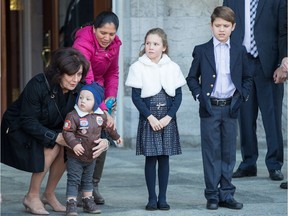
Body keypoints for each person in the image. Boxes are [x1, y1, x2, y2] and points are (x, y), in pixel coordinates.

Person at [0, 47, 110, 215]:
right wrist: (55, 137)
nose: (75, 79)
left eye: (79, 74)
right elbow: (27, 120)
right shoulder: (38, 84)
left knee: (70, 144)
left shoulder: (80, 90)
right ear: (59, 72)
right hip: (18, 129)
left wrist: (104, 139)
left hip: (49, 127)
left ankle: (49, 194)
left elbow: (93, 117)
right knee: (54, 146)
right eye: (71, 74)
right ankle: (32, 196)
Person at [186, 6, 253, 210]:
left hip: (231, 108)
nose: (221, 29)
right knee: (211, 153)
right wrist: (199, 96)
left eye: (225, 26)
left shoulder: (240, 50)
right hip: (210, 108)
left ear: (233, 27)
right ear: (211, 26)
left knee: (229, 153)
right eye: (217, 25)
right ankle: (212, 195)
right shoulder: (202, 50)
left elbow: (247, 78)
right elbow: (191, 78)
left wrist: (241, 97)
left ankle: (227, 193)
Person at [223, 0, 287, 181]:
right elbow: (224, 29)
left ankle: (274, 165)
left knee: (272, 117)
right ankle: (248, 163)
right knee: (245, 117)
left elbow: (284, 31)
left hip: (269, 65)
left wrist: (283, 64)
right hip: (241, 64)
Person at [125, 28, 186, 211]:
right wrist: (150, 117)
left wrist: (169, 117)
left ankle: (163, 198)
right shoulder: (138, 67)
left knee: (164, 158)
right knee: (151, 158)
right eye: (148, 43)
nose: (150, 47)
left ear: (164, 47)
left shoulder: (173, 67)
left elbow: (178, 96)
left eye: (155, 44)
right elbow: (136, 97)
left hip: (167, 119)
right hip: (148, 118)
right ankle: (152, 198)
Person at [72, 11, 122, 205]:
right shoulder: (82, 42)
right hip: (81, 91)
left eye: (111, 34)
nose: (107, 38)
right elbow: (88, 77)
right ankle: (76, 187)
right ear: (94, 28)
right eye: (103, 33)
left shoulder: (115, 44)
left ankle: (93, 185)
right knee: (82, 137)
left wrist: (110, 97)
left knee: (101, 137)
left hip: (99, 92)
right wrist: (103, 109)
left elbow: (113, 72)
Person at [63, 82, 122, 215]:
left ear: (96, 103)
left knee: (88, 179)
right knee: (73, 179)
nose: (83, 101)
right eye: (81, 97)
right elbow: (67, 132)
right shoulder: (73, 116)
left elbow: (109, 128)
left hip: (92, 156)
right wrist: (74, 144)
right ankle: (71, 203)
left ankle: (87, 201)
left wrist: (116, 137)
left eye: (88, 99)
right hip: (75, 156)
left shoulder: (100, 116)